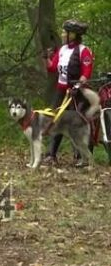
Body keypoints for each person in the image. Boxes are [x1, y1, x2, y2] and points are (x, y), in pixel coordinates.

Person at [43, 19, 94, 167]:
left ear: (73, 34)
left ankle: (82, 157)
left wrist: (77, 86)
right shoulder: (63, 49)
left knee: (77, 123)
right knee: (56, 120)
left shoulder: (84, 50)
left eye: (65, 32)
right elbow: (52, 68)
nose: (62, 34)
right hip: (61, 91)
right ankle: (51, 155)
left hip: (77, 93)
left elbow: (86, 73)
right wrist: (46, 58)